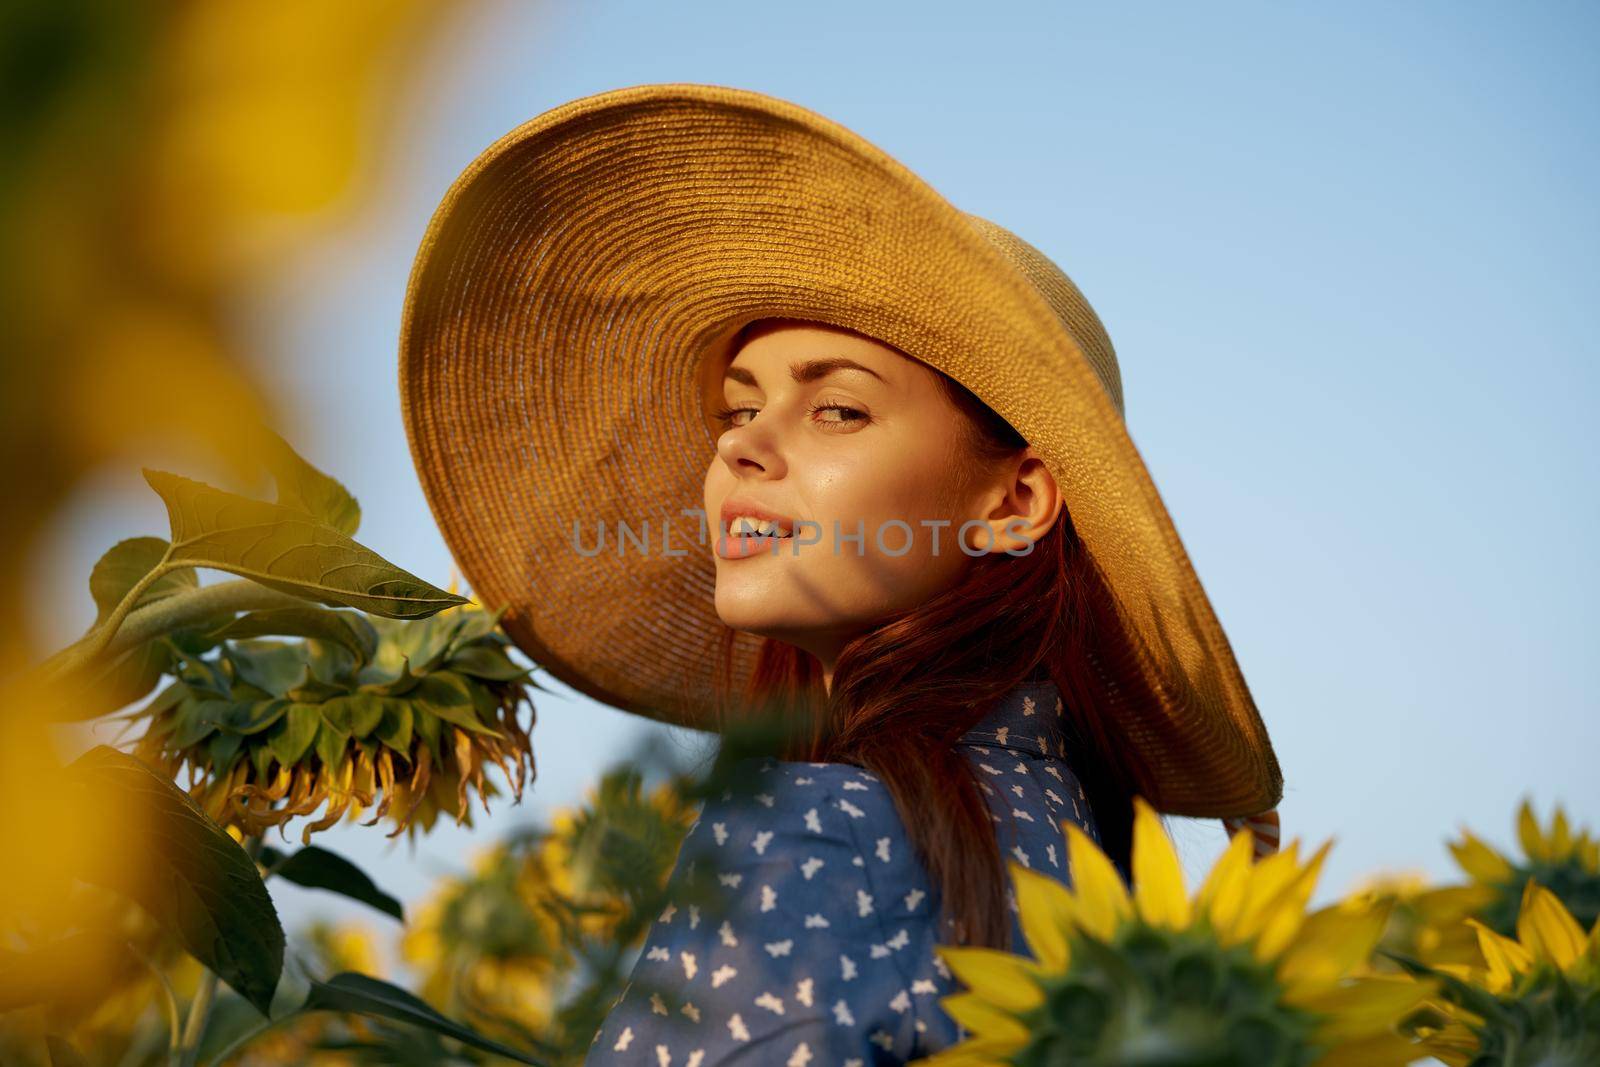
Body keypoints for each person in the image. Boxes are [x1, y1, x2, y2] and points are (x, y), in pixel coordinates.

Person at [398, 83, 1284, 1064]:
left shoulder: (816, 830)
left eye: (838, 411)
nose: (743, 448)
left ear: (1015, 502)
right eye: (738, 410)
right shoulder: (1085, 859)